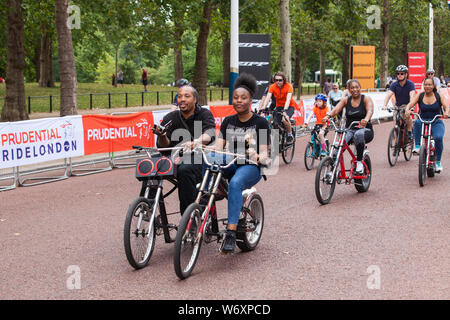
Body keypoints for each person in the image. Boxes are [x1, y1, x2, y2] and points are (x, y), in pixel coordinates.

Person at [209, 73, 270, 253]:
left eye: (243, 98)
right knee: (206, 163)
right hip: (231, 163)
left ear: (251, 99)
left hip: (250, 167)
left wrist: (256, 155)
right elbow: (219, 147)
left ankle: (231, 232)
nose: (239, 101)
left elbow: (266, 155)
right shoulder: (228, 121)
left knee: (235, 183)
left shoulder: (260, 122)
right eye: (235, 98)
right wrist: (206, 149)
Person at [153, 84, 216, 215]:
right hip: (175, 156)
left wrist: (196, 142)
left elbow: (209, 134)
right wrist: (162, 136)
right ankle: (148, 205)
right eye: (179, 96)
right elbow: (163, 146)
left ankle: (188, 218)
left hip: (199, 157)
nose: (182, 99)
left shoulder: (205, 114)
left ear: (195, 100)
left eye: (187, 96)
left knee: (185, 169)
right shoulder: (170, 117)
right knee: (150, 165)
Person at [322, 79, 374, 174]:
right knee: (340, 144)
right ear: (349, 90)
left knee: (358, 134)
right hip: (350, 129)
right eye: (352, 88)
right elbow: (336, 109)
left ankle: (359, 163)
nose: (355, 90)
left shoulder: (366, 99)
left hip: (365, 130)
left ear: (360, 88)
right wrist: (328, 116)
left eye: (356, 87)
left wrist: (366, 119)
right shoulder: (346, 100)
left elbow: (370, 110)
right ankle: (332, 167)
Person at [405, 77, 449, 172]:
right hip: (423, 120)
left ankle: (438, 162)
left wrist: (446, 112)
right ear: (423, 86)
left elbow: (446, 106)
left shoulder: (438, 96)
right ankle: (417, 146)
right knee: (416, 122)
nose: (427, 86)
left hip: (436, 121)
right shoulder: (420, 95)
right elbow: (411, 103)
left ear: (433, 86)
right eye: (425, 84)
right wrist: (407, 110)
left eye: (429, 84)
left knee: (438, 138)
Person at [259, 71, 296, 144]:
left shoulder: (289, 86)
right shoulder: (272, 87)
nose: (278, 82)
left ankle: (289, 134)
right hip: (279, 106)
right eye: (276, 80)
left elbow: (288, 99)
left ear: (284, 80)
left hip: (289, 106)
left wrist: (285, 110)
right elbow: (267, 98)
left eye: (280, 80)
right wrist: (263, 108)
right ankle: (277, 140)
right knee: (275, 123)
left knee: (284, 119)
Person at [382, 65, 415, 139]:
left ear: (406, 74)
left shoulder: (410, 84)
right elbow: (389, 95)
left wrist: (410, 107)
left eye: (402, 73)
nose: (399, 75)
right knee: (396, 123)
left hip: (408, 104)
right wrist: (384, 105)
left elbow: (412, 96)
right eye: (398, 73)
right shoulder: (394, 84)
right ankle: (396, 144)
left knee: (407, 116)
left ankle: (410, 132)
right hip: (398, 106)